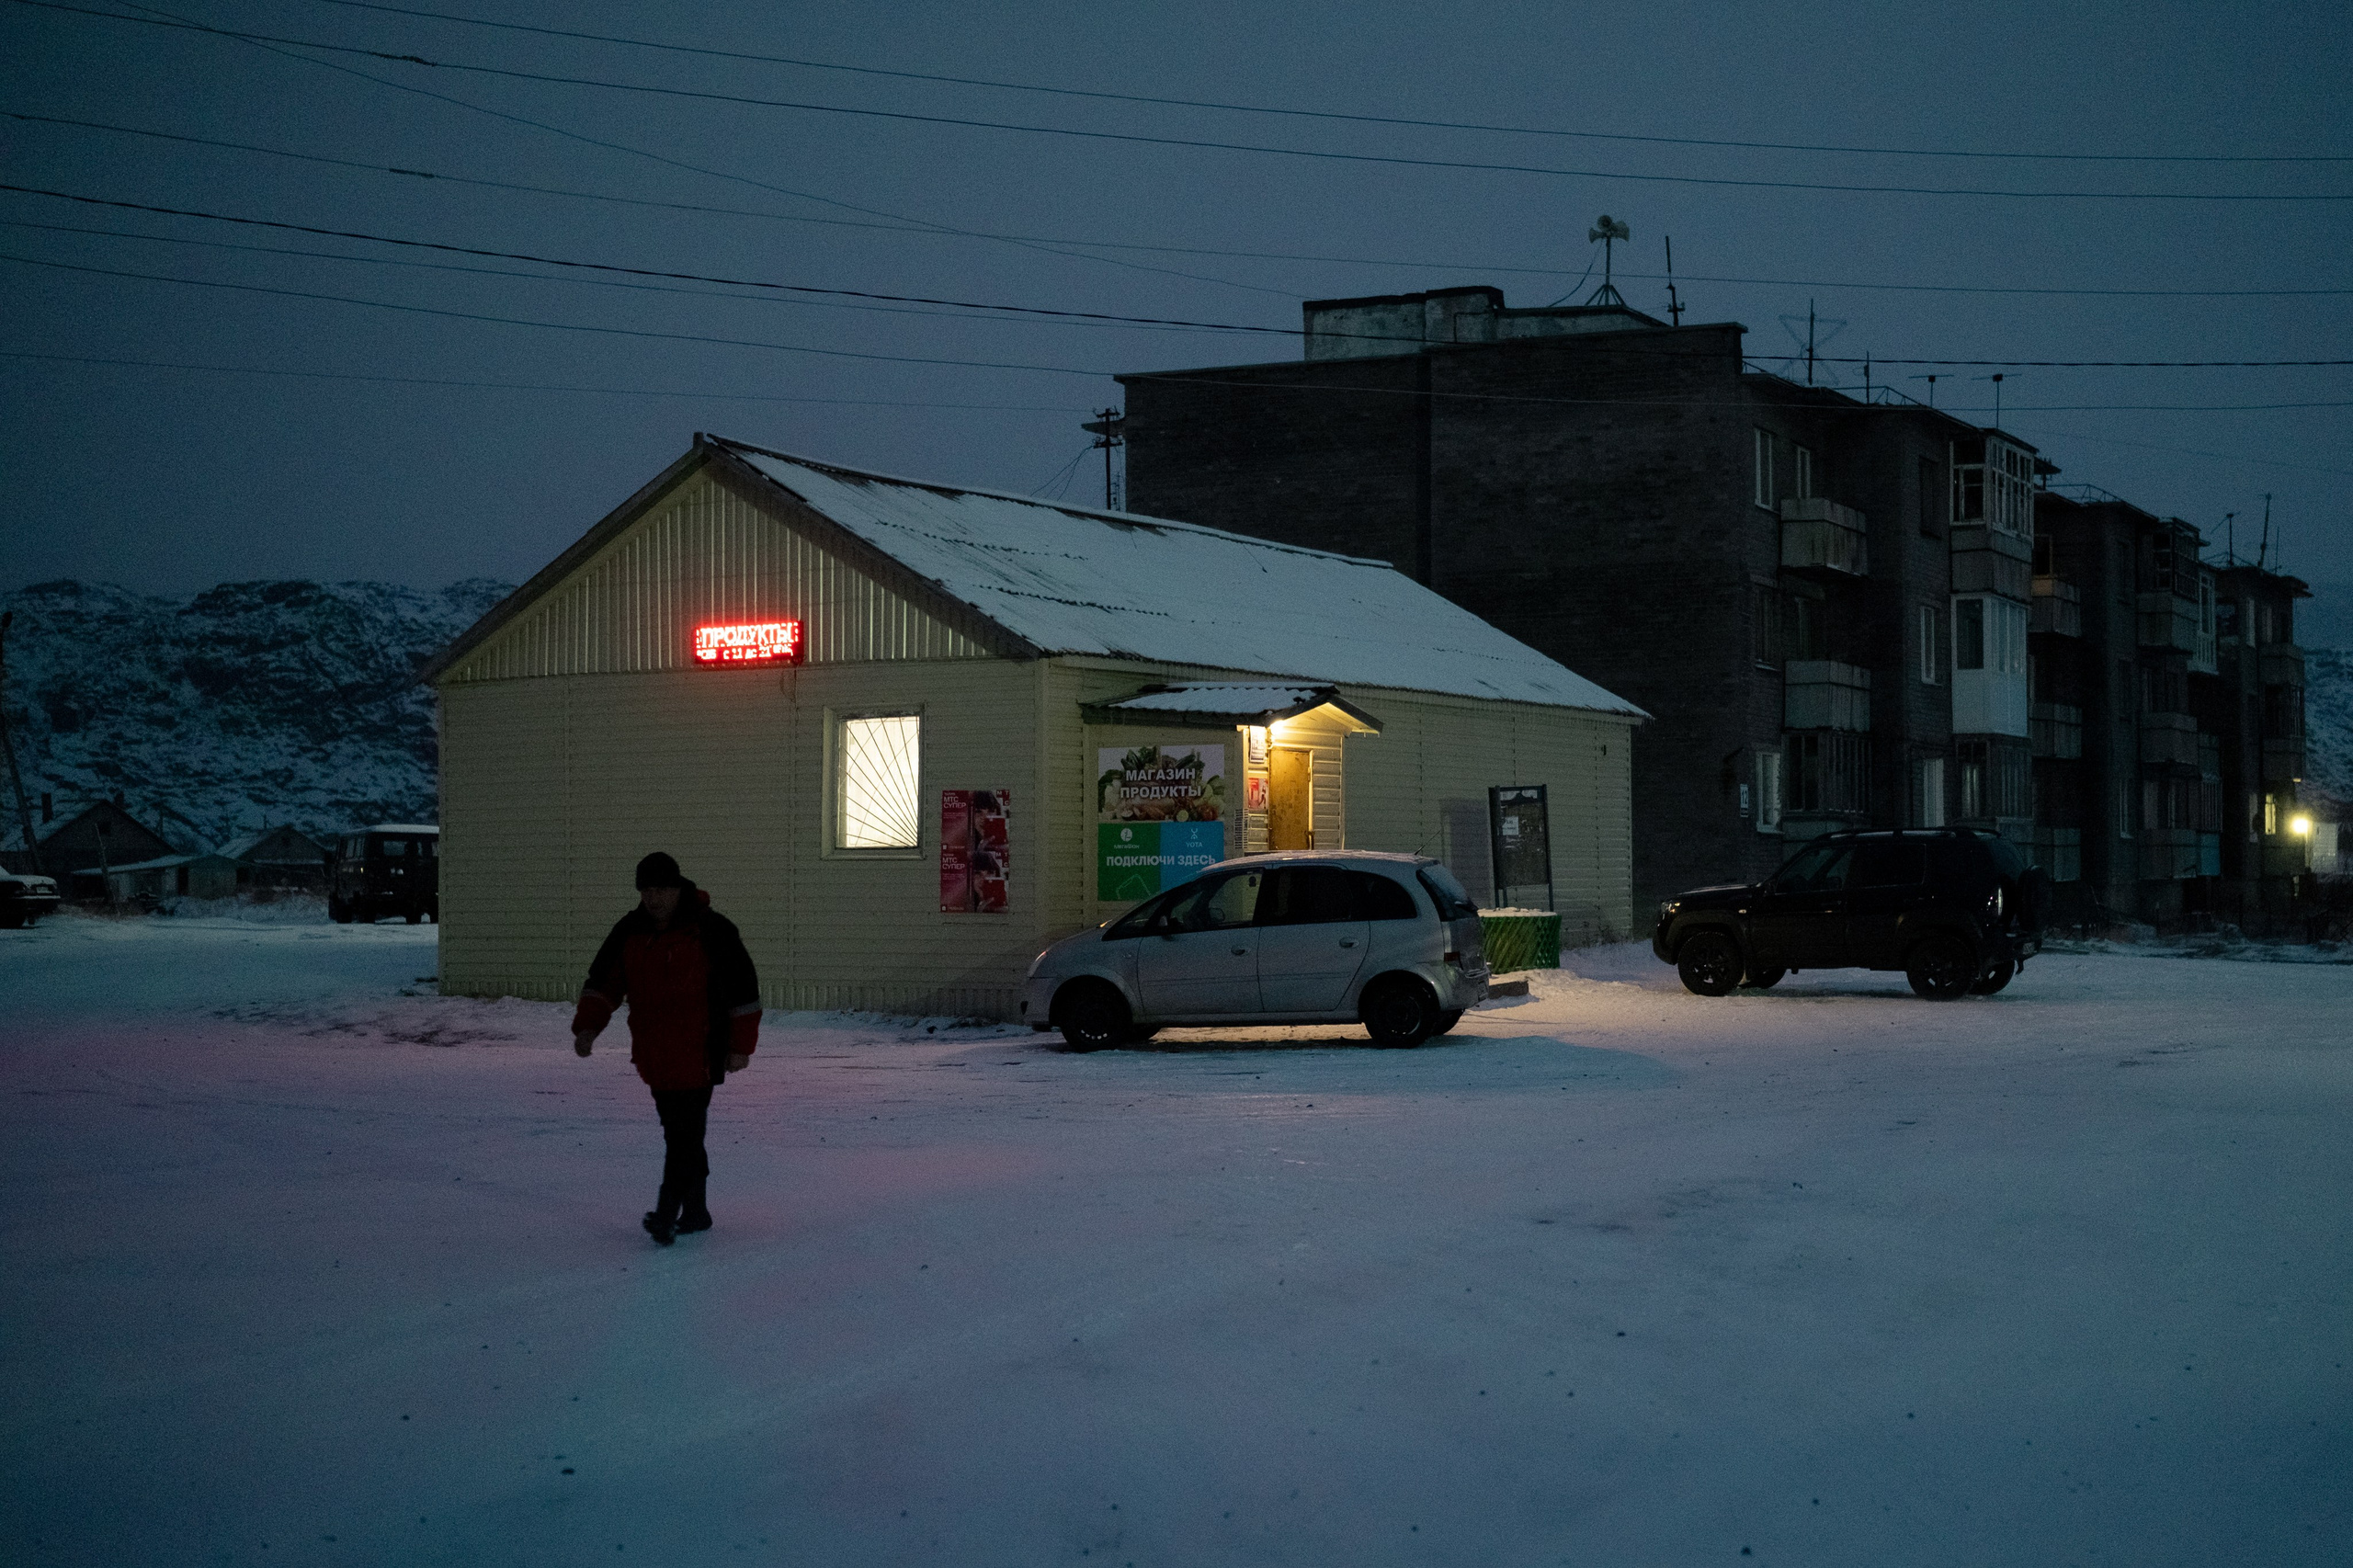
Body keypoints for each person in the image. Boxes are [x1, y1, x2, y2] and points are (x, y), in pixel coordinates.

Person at [571, 852, 761, 1244]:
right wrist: (588, 1027)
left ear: (678, 888)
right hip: (655, 1054)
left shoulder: (711, 929)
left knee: (683, 1136)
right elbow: (604, 981)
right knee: (681, 1134)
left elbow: (743, 990)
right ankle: (696, 1212)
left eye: (662, 889)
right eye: (647, 890)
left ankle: (666, 1214)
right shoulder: (630, 931)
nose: (654, 897)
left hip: (701, 1052)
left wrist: (741, 1047)